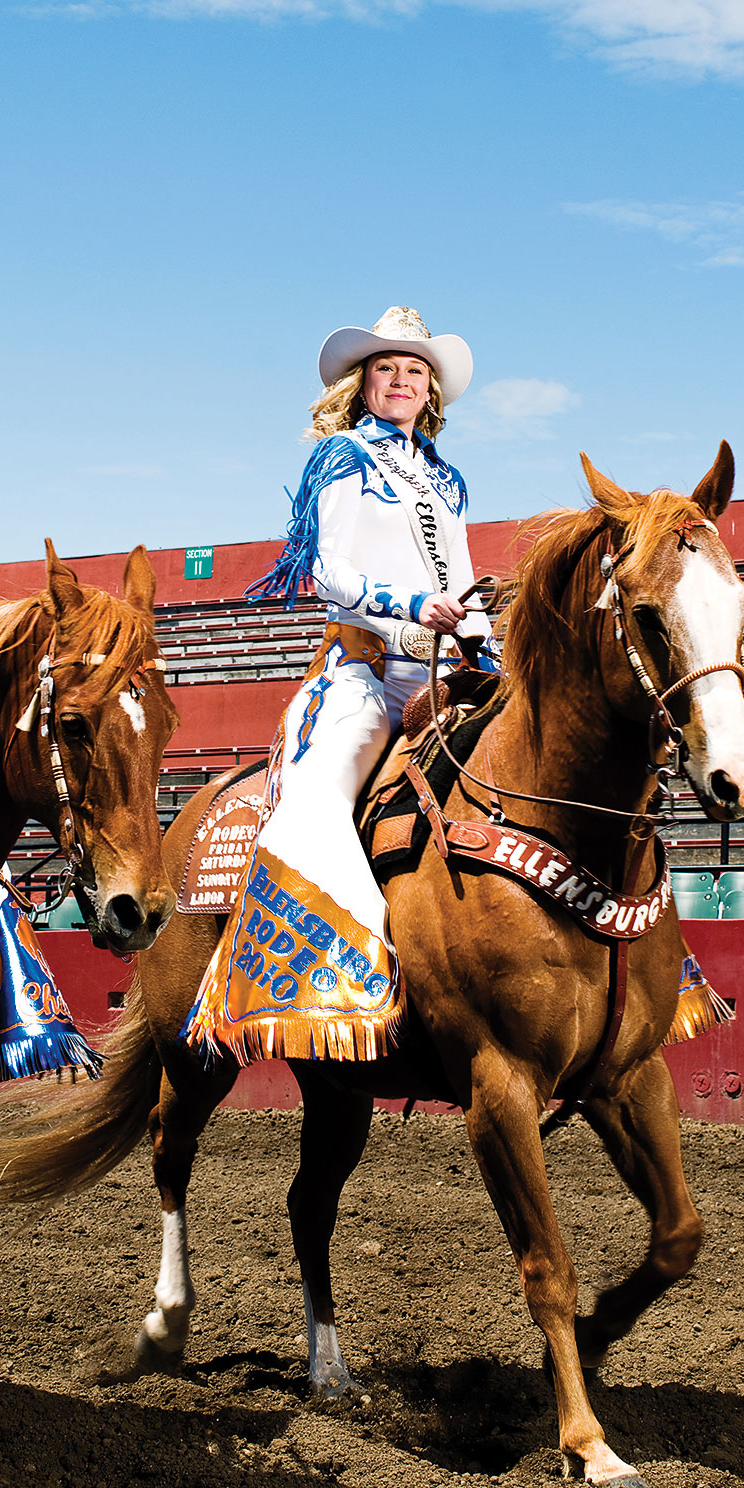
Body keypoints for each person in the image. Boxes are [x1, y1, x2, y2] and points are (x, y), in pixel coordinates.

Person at [186, 307, 496, 1063]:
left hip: (440, 669)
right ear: (363, 385)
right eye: (387, 368)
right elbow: (328, 571)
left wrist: (482, 645)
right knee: (318, 793)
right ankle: (333, 982)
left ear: (432, 394)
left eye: (415, 371)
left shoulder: (446, 478)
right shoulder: (341, 456)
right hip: (361, 668)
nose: (401, 380)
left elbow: (460, 576)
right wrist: (412, 604)